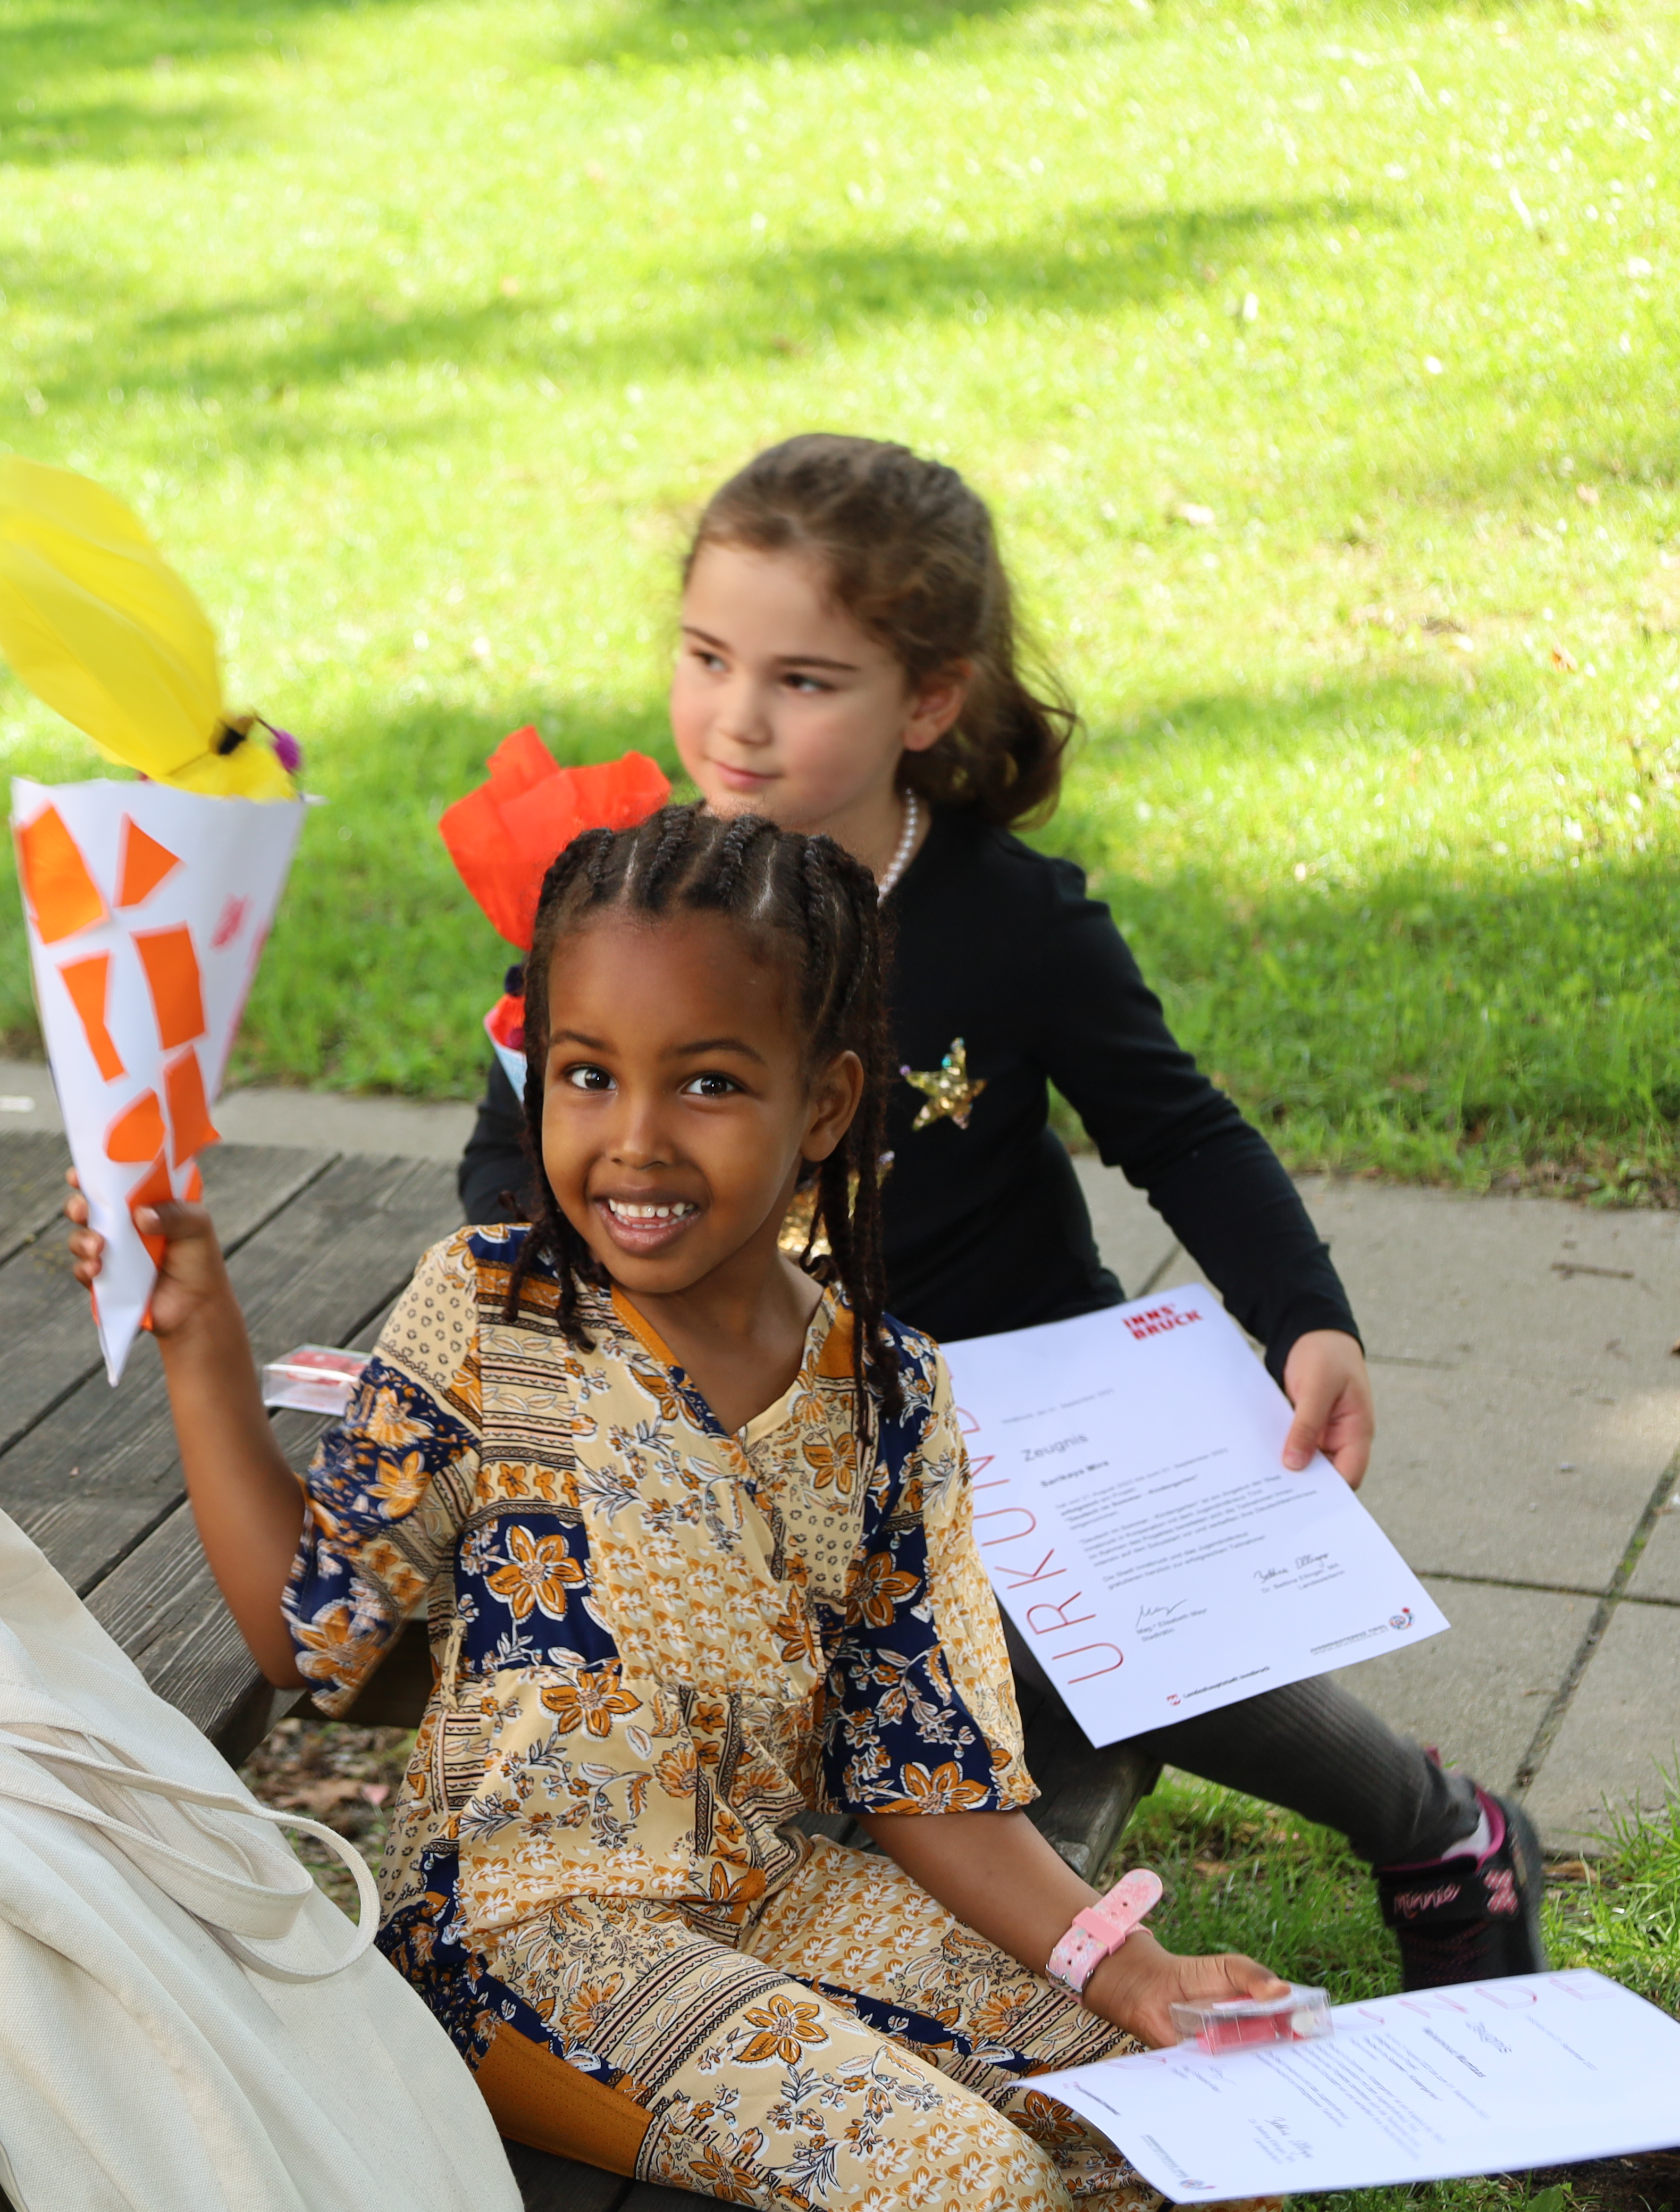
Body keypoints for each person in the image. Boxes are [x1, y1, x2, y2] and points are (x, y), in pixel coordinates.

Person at [77, 803, 1287, 2211]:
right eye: (587, 1077)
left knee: (1196, 2122)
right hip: (521, 1941)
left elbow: (925, 1777)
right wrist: (199, 1339)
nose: (634, 1141)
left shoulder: (889, 1386)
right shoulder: (488, 1312)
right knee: (978, 2187)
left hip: (774, 1894)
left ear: (823, 1105)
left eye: (706, 1085)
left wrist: (1129, 1974)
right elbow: (313, 1647)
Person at [456, 434, 1540, 1988]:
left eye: (804, 680)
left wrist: (1307, 1315)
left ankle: (1433, 1826)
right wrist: (529, 1280)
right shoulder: (640, 896)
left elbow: (1182, 1130)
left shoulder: (1013, 924)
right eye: (706, 659)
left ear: (933, 700)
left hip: (1022, 1409)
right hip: (760, 1420)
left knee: (1080, 1635)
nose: (735, 718)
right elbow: (511, 1124)